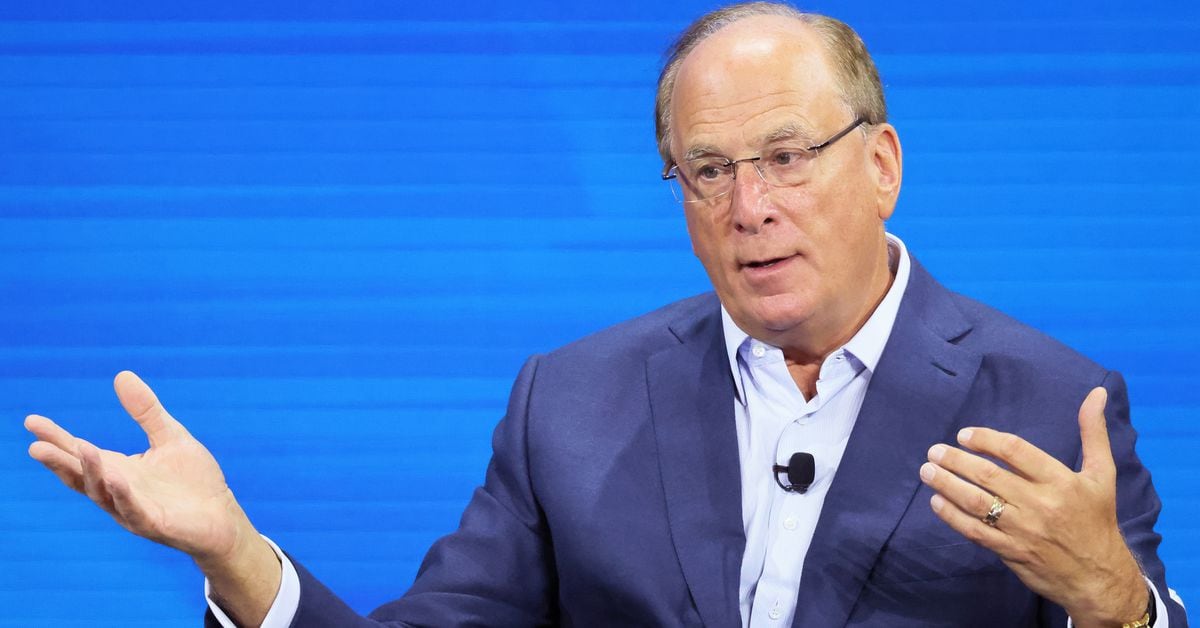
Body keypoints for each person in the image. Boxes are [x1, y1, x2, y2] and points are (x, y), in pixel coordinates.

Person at [24, 3, 1187, 627]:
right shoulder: (572, 404)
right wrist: (236, 556)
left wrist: (1118, 608)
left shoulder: (1049, 401)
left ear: (881, 164)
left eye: (787, 156)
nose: (749, 207)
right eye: (708, 169)